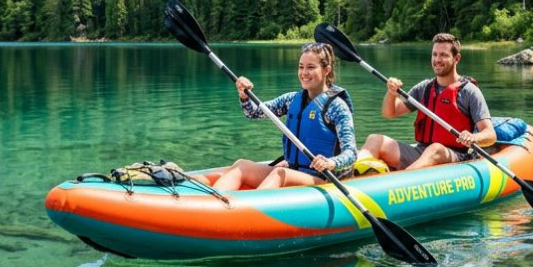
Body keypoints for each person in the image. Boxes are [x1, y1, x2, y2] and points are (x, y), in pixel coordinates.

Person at [212, 42, 357, 191]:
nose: (304, 72)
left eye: (311, 67)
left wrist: (330, 162)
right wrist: (244, 96)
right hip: (294, 171)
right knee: (242, 165)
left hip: (323, 180)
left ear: (326, 70)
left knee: (280, 173)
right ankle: (213, 204)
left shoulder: (337, 107)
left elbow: (351, 153)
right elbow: (254, 112)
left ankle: (251, 210)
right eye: (301, 67)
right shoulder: (291, 99)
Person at [354, 32, 495, 172]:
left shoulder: (469, 92)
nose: (437, 59)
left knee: (436, 149)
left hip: (457, 156)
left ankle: (399, 181)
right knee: (375, 140)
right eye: (435, 54)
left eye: (444, 55)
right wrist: (391, 94)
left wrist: (473, 137)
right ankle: (351, 176)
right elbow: (390, 112)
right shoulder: (425, 88)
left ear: (456, 58)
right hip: (422, 151)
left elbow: (490, 134)